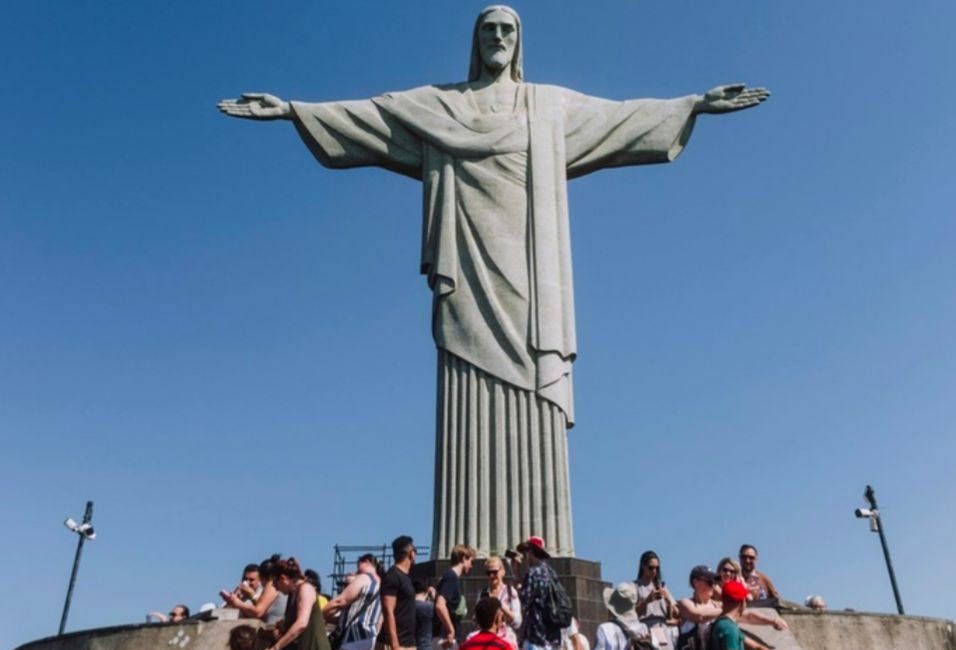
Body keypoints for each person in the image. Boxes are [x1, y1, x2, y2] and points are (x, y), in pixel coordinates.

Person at [217, 5, 769, 562]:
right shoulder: (441, 106)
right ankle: (467, 542)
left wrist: (693, 103)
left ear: (519, 41)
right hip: (467, 271)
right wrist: (293, 110)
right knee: (466, 384)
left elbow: (621, 118)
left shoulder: (549, 106)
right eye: (489, 29)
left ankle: (542, 543)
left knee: (535, 376)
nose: (499, 37)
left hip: (532, 274)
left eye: (508, 29)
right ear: (475, 41)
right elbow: (372, 116)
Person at [261, 557, 331, 650]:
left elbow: (301, 623)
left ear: (283, 578)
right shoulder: (293, 593)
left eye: (276, 584)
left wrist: (275, 648)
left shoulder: (305, 589)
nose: (277, 589)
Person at [324, 554, 383, 650]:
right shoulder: (382, 584)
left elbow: (340, 601)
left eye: (358, 565)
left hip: (354, 636)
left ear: (366, 562)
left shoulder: (365, 578)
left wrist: (318, 614)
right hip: (370, 638)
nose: (357, 570)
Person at [376, 535, 420, 650]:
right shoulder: (392, 576)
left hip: (410, 643)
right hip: (394, 643)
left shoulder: (406, 577)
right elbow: (388, 610)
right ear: (410, 553)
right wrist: (395, 647)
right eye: (414, 550)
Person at [431, 544, 476, 650]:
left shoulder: (449, 577)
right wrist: (450, 629)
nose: (472, 565)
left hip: (443, 637)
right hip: (445, 638)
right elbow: (440, 604)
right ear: (463, 558)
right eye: (471, 561)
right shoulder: (451, 577)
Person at [517, 536, 562, 650]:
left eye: (526, 553)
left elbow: (525, 599)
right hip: (553, 636)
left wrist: (518, 586)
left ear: (531, 552)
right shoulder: (552, 573)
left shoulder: (533, 572)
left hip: (536, 635)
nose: (525, 557)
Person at [633, 551, 678, 650]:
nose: (654, 571)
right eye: (651, 567)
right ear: (643, 566)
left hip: (662, 627)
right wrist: (647, 601)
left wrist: (667, 600)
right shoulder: (635, 586)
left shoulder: (661, 586)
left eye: (657, 568)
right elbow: (632, 614)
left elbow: (676, 613)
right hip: (645, 628)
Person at [222, 555, 289, 625]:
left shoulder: (272, 585)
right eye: (245, 579)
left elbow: (258, 612)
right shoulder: (275, 586)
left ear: (261, 578)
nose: (247, 582)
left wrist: (235, 601)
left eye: (251, 580)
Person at [478, 555, 522, 650]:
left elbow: (517, 622)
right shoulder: (483, 594)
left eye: (494, 572)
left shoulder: (510, 592)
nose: (492, 576)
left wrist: (500, 606)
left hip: (506, 642)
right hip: (486, 645)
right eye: (488, 573)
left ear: (502, 571)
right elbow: (476, 621)